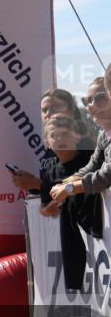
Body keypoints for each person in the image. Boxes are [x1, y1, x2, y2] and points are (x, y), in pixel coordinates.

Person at [38, 115, 97, 290]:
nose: (59, 139)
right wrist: (50, 208)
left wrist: (70, 189)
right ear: (46, 142)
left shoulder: (91, 160)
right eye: (54, 135)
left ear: (77, 136)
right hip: (75, 245)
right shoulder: (50, 174)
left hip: (100, 233)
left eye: (64, 134)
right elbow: (43, 208)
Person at [11, 88, 90, 193]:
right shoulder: (50, 148)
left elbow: (78, 187)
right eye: (44, 110)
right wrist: (29, 183)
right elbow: (48, 190)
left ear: (71, 111)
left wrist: (35, 183)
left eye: (55, 108)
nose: (48, 113)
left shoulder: (84, 146)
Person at [52, 73, 111, 204]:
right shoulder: (103, 136)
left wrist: (68, 189)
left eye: (100, 98)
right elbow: (92, 166)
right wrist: (66, 182)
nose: (92, 105)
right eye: (87, 101)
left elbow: (107, 176)